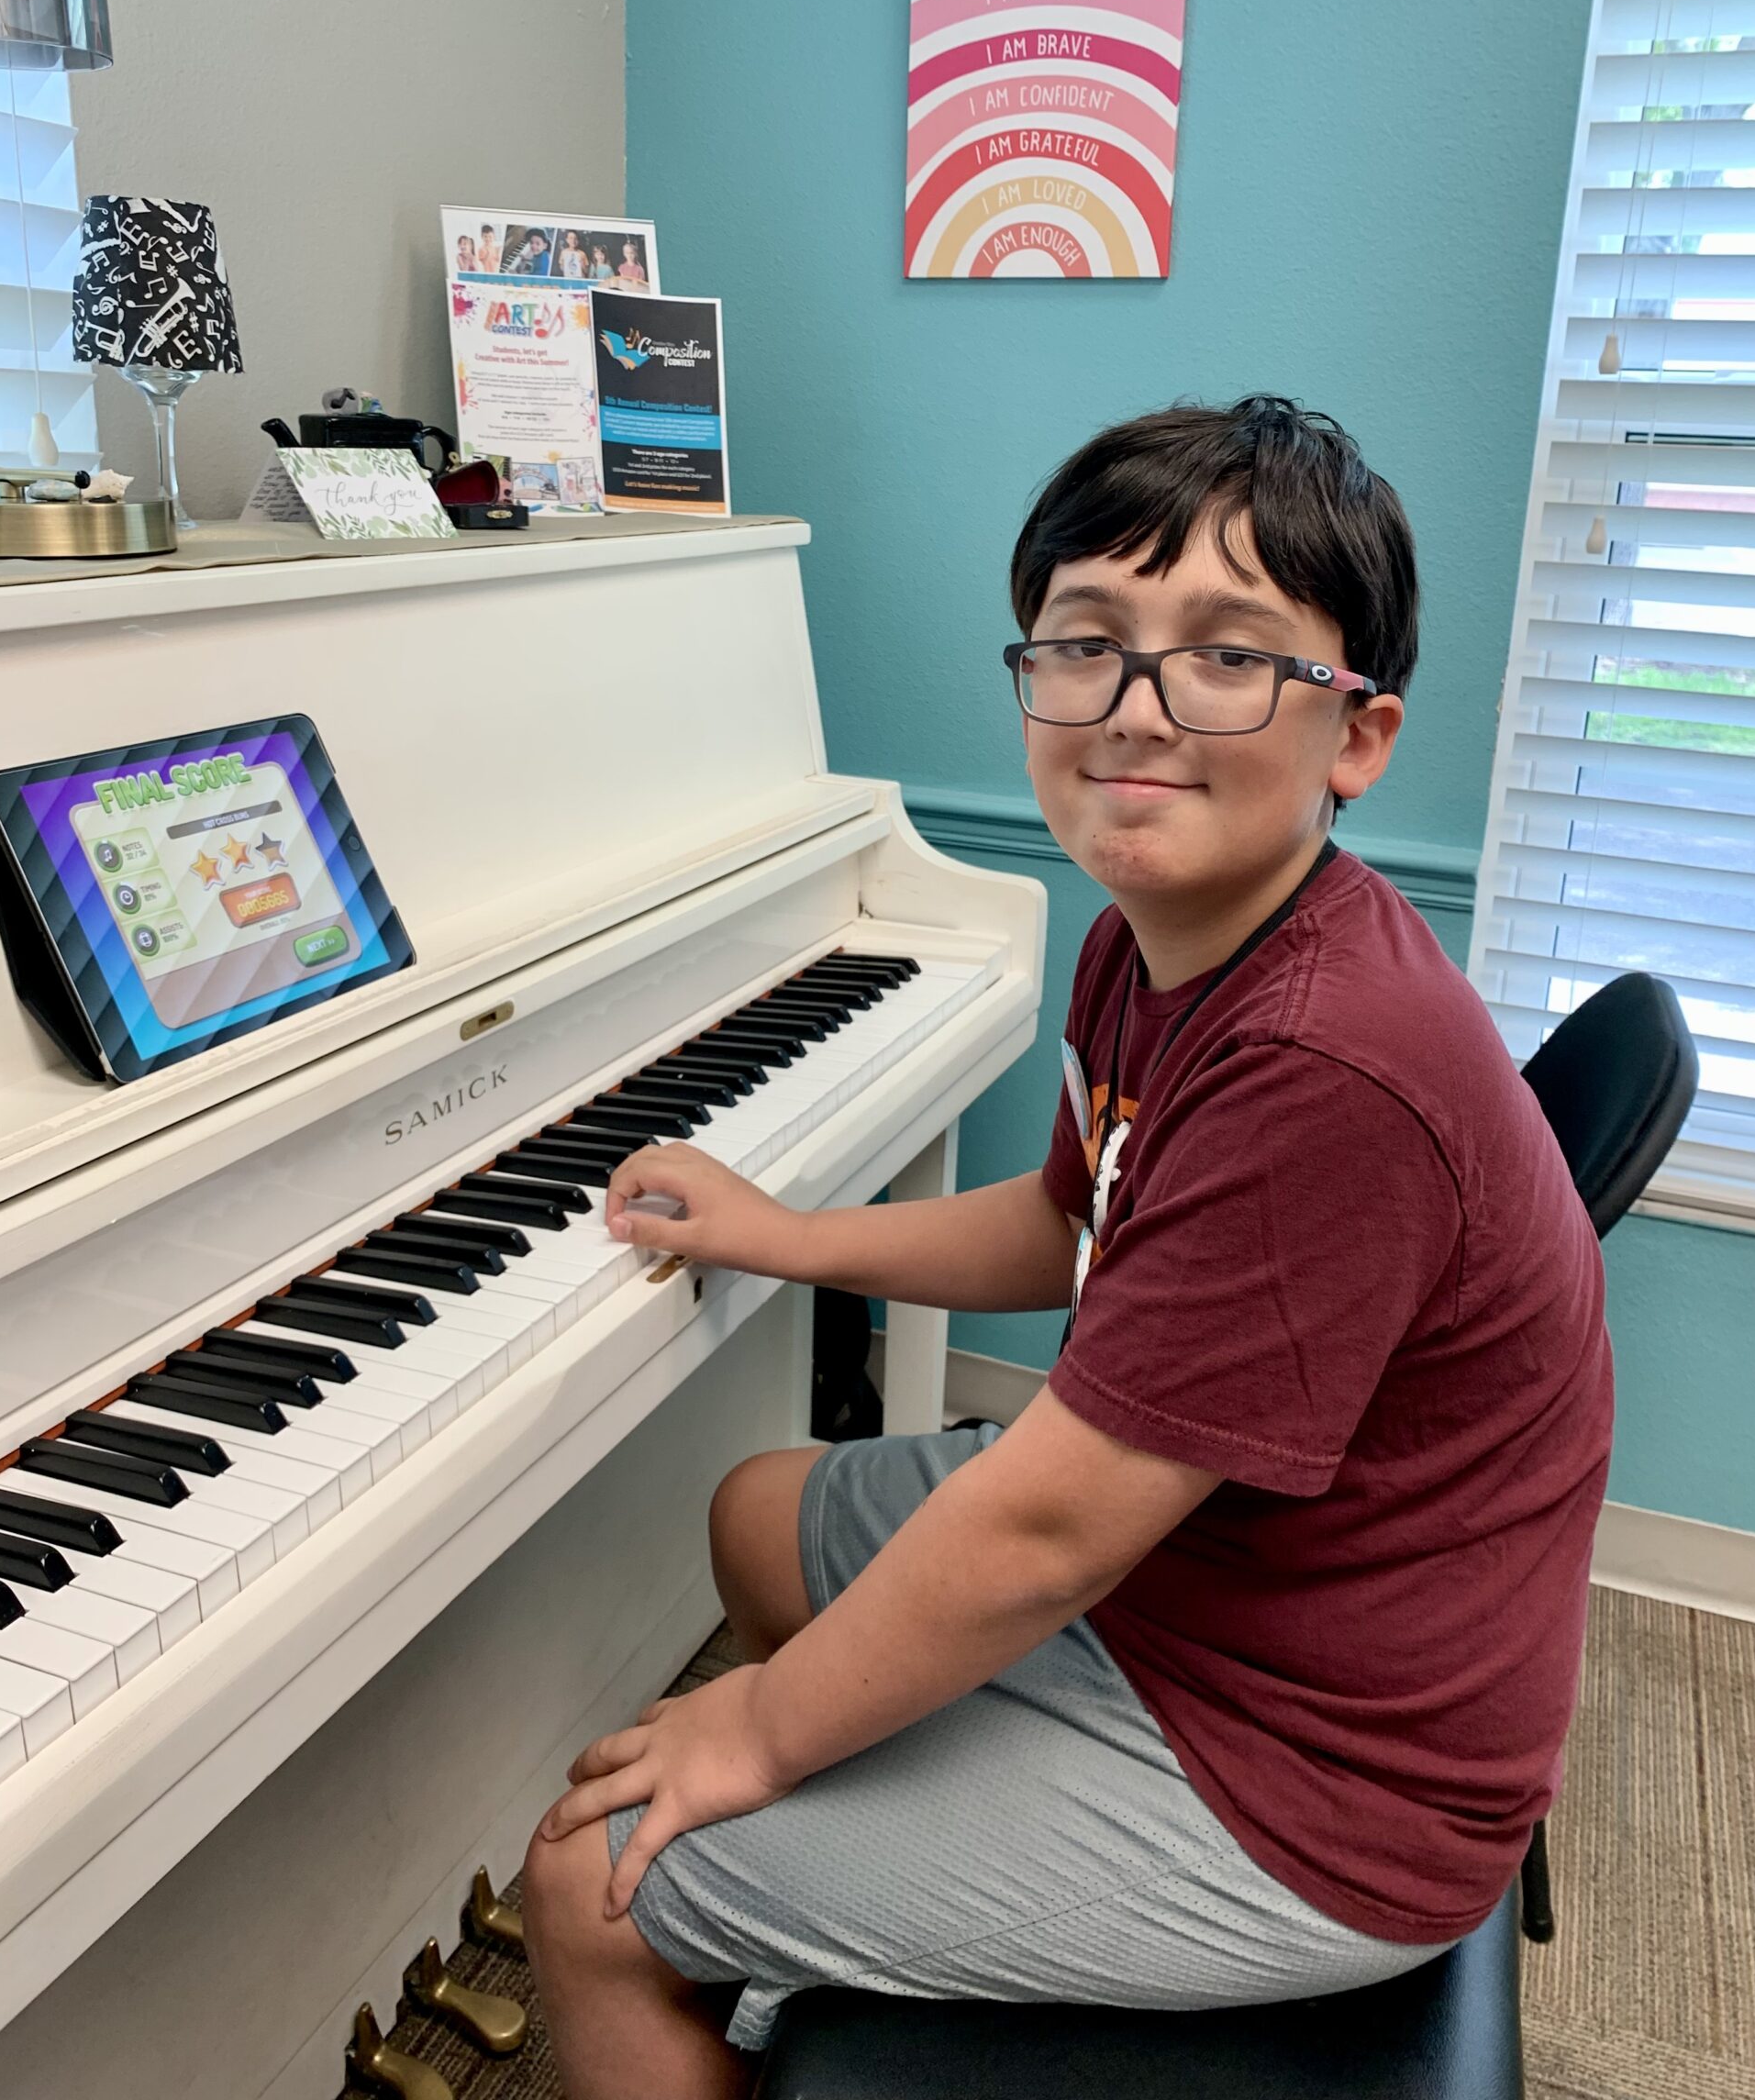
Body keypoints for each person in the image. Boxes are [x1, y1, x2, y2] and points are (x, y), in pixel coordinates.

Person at [522, 395, 1612, 2100]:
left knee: (589, 1884)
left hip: (1318, 1777)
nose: (1136, 708)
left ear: (1359, 733)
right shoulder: (1154, 934)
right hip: (1212, 1584)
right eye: (1086, 644)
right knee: (755, 1519)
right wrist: (789, 1233)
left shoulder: (1328, 1063)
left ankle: (746, 1935)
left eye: (1228, 656)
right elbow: (1067, 1217)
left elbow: (1047, 1534)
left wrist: (757, 1733)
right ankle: (823, 1918)